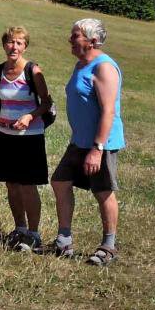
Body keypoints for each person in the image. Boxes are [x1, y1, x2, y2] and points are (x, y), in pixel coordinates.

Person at [50, 18, 125, 266]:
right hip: (79, 141)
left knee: (103, 191)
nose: (70, 40)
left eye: (75, 36)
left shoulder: (104, 68)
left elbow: (108, 111)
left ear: (92, 41)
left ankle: (108, 246)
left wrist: (97, 149)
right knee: (60, 181)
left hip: (100, 143)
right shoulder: (81, 64)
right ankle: (64, 240)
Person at [0, 26, 52, 253]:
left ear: (25, 46)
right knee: (11, 184)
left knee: (27, 186)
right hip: (6, 136)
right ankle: (20, 228)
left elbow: (46, 102)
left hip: (29, 138)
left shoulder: (33, 71)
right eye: (10, 42)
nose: (13, 47)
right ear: (4, 44)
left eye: (19, 43)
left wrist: (30, 116)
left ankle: (34, 235)